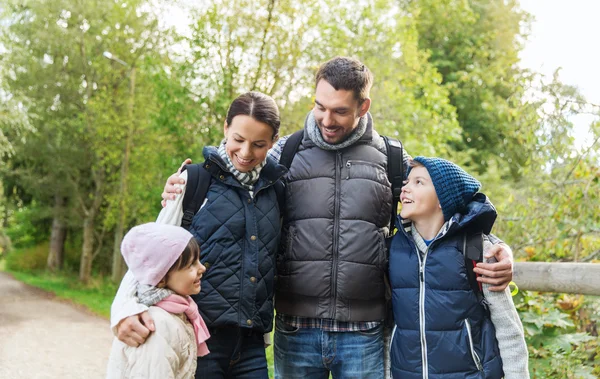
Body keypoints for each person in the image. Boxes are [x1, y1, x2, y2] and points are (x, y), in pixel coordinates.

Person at [158, 57, 515, 378]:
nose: (327, 120)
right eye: (320, 107)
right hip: (295, 328)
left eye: (340, 111)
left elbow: (440, 203)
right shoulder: (286, 151)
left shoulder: (392, 157)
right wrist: (181, 184)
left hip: (363, 333)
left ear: (364, 106)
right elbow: (236, 172)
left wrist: (495, 246)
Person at [110, 91, 286, 378]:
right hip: (199, 337)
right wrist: (122, 311)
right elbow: (150, 258)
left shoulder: (276, 190)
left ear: (273, 142)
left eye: (259, 144)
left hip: (252, 345)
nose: (245, 153)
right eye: (238, 140)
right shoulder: (193, 182)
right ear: (226, 128)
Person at [389, 157, 528, 379]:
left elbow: (508, 328)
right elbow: (390, 326)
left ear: (443, 199)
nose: (405, 188)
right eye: (406, 182)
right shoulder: (394, 249)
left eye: (418, 182)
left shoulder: (476, 250)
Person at [106, 222, 210, 379]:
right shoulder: (157, 324)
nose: (202, 268)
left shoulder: (176, 313)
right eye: (191, 265)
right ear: (160, 278)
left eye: (198, 261)